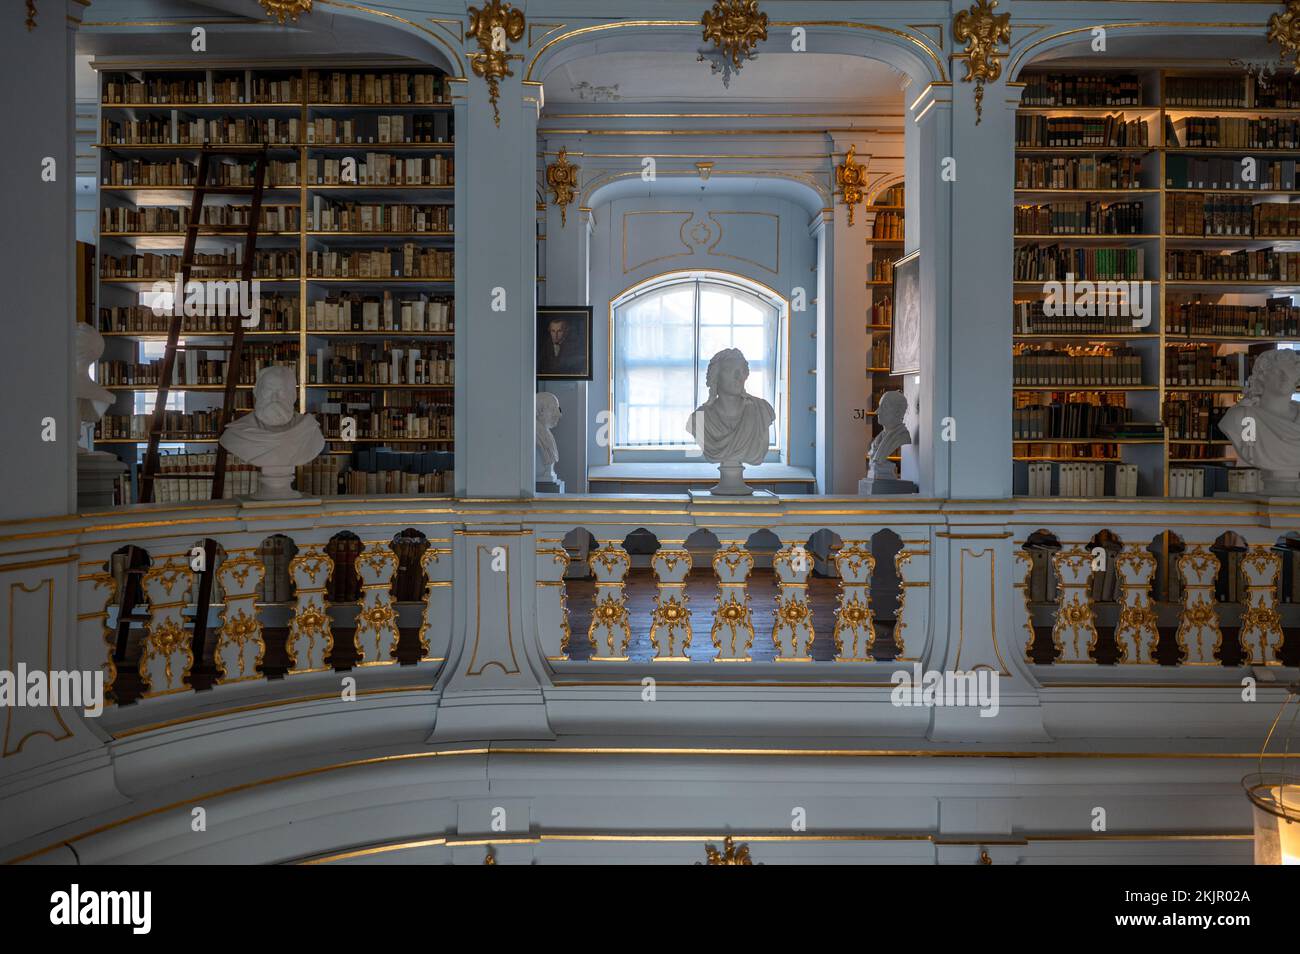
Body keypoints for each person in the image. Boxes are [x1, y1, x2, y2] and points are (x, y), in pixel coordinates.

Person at [220, 365, 325, 498]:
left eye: (281, 392)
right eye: (268, 391)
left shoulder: (310, 432)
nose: (274, 398)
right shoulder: (236, 434)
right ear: (256, 392)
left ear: (293, 395)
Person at [687, 348, 775, 495]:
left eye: (742, 371)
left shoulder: (762, 410)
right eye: (730, 370)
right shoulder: (699, 419)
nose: (738, 376)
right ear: (716, 376)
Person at [1218, 349, 1300, 492]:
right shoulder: (1243, 417)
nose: (1285, 377)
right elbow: (1249, 444)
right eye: (1278, 372)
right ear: (1262, 376)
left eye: (1290, 372)